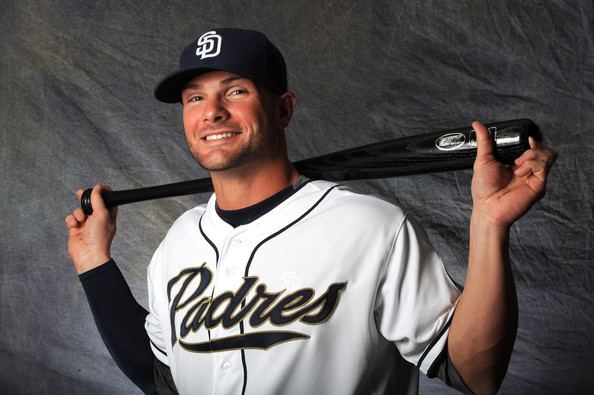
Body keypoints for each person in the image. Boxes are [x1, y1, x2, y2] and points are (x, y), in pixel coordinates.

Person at [65, 28, 557, 395]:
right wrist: (93, 263)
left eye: (235, 91)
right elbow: (162, 378)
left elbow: (475, 370)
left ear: (283, 108)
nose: (211, 112)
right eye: (195, 98)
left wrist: (489, 224)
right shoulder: (178, 243)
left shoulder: (370, 227)